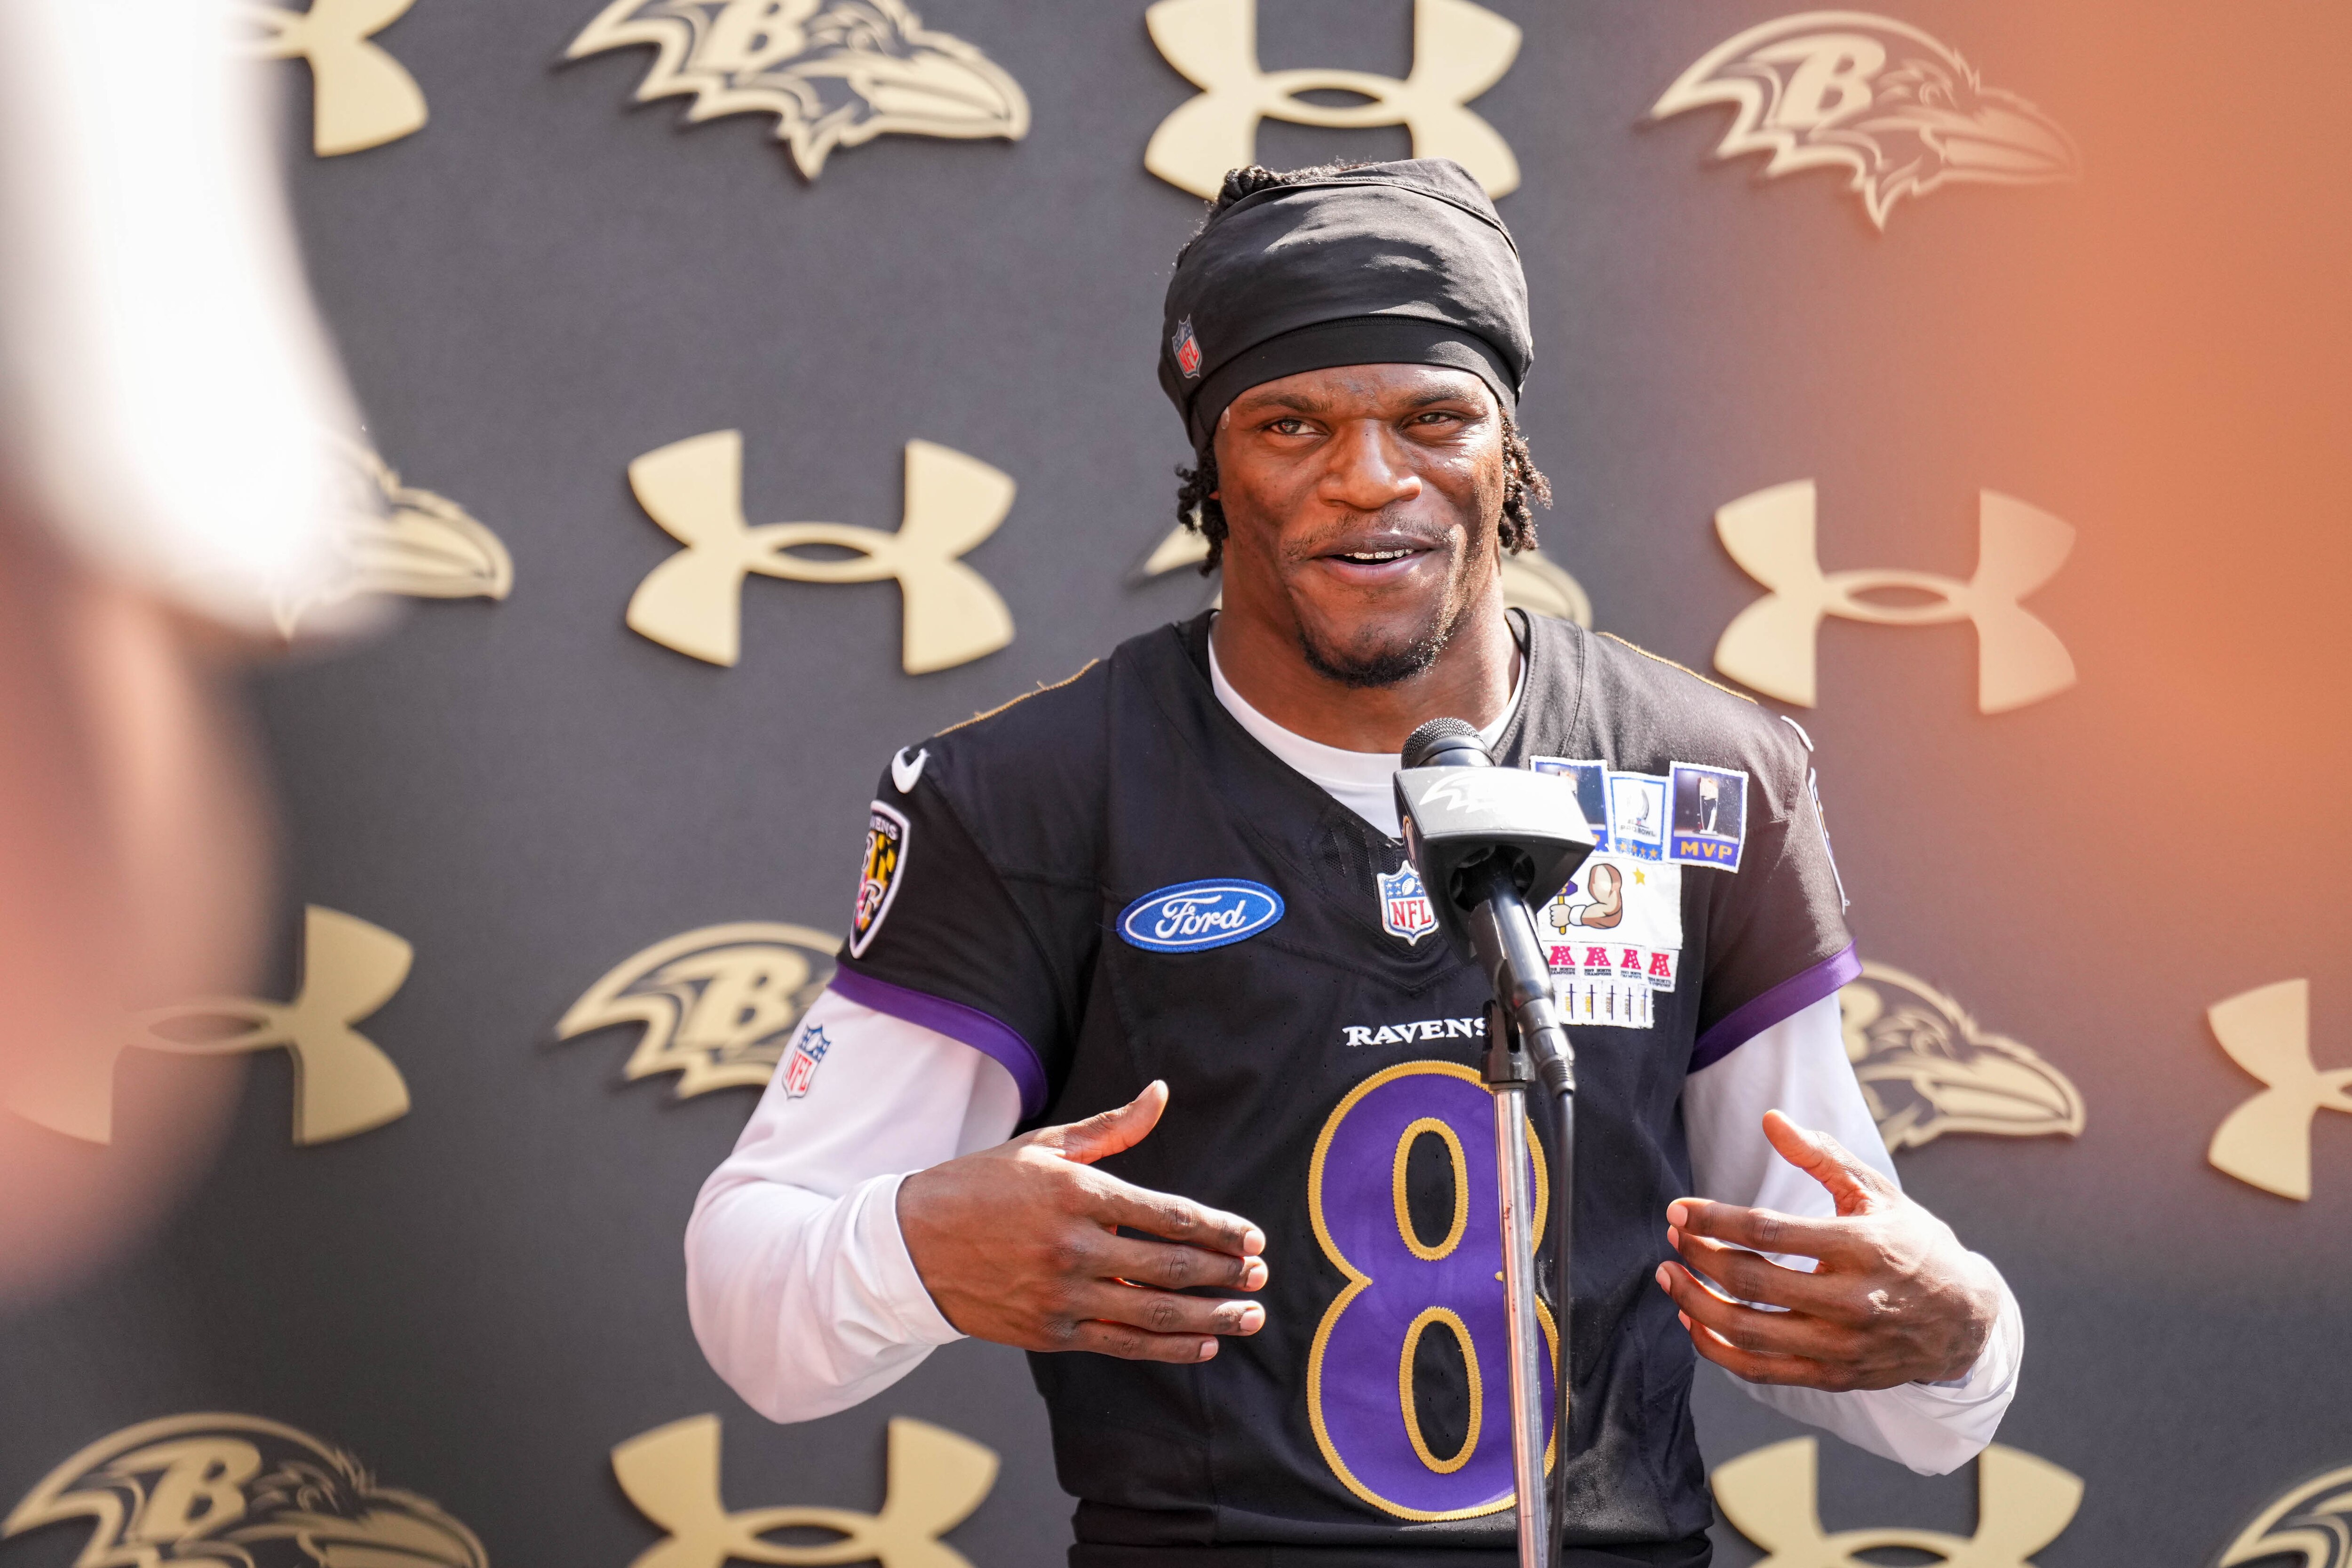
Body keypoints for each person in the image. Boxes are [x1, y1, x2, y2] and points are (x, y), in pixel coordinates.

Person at [686, 160, 2020, 1567]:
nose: (1369, 477)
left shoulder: (1701, 775)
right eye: (1292, 423)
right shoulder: (1035, 796)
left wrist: (1960, 1327)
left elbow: (1903, 1385)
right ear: (1212, 468)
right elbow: (757, 1320)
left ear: (1509, 446)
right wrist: (910, 1252)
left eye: (1434, 415)